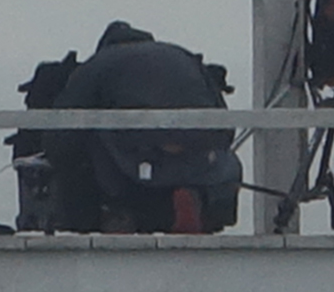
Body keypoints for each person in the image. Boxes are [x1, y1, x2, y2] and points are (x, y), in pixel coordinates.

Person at [42, 20, 240, 233]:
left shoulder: (99, 63)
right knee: (179, 170)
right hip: (199, 155)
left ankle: (119, 216)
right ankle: (196, 209)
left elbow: (64, 126)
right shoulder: (183, 56)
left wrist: (56, 159)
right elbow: (222, 119)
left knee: (96, 141)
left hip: (140, 154)